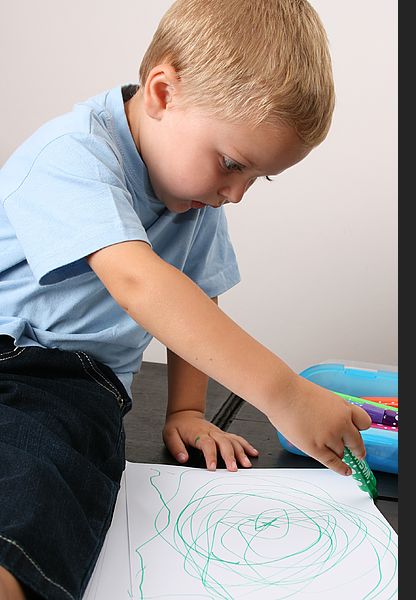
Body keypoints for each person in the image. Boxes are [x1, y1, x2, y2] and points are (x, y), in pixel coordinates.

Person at [0, 1, 372, 598]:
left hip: (72, 392)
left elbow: (195, 302)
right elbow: (142, 283)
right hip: (18, 358)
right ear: (163, 92)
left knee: (46, 483)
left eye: (257, 179)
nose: (236, 194)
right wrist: (286, 395)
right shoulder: (71, 156)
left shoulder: (193, 199)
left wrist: (186, 412)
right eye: (232, 165)